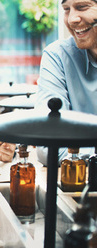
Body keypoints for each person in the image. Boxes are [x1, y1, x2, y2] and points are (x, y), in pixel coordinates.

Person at [35, 0, 97, 164]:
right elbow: (48, 148)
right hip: (79, 186)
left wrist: (80, 150)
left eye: (82, 7)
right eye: (66, 9)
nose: (71, 19)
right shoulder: (58, 56)